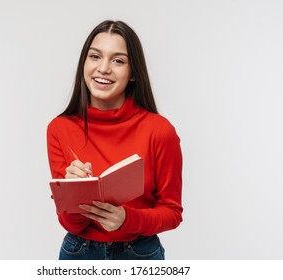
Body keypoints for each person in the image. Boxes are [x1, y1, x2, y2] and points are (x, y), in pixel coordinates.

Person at [46, 20, 183, 260]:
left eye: (118, 60)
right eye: (95, 57)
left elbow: (172, 213)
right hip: (78, 252)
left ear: (133, 73)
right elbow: (69, 223)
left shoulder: (160, 131)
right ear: (84, 63)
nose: (103, 69)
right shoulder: (60, 129)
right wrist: (76, 195)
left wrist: (127, 219)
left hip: (140, 253)